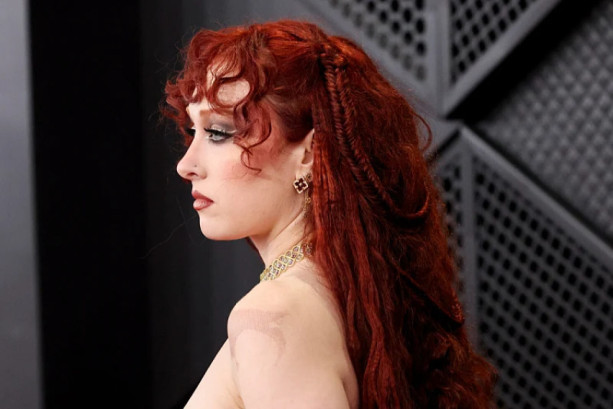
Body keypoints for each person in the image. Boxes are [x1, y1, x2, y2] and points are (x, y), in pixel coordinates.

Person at [164, 20, 496, 409]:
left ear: (308, 154)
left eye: (219, 132)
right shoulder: (349, 295)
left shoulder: (273, 316)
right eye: (193, 130)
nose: (186, 165)